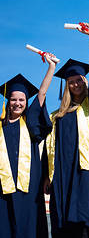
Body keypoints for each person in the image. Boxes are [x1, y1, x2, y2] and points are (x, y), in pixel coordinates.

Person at [43, 23, 89, 238]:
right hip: (62, 180)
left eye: (78, 80)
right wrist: (47, 176)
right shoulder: (57, 116)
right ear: (66, 86)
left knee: (87, 226)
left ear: (85, 81)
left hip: (87, 179)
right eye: (70, 82)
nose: (74, 84)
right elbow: (49, 149)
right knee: (64, 227)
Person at [0, 55, 57, 238]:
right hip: (2, 186)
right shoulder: (0, 126)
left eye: (22, 100)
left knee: (28, 226)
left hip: (28, 185)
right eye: (13, 99)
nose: (17, 103)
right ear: (7, 101)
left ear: (26, 103)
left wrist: (51, 68)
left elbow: (41, 94)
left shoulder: (30, 123)